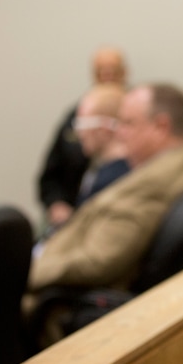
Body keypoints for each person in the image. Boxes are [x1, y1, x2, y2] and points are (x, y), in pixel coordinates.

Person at [27, 82, 183, 295]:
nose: (119, 133)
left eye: (127, 123)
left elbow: (98, 261)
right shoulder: (182, 167)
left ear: (161, 127)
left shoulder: (151, 188)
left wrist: (25, 273)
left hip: (62, 301)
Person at [37, 46, 129, 230]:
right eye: (100, 71)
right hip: (73, 214)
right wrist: (57, 204)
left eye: (113, 70)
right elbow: (49, 175)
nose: (107, 76)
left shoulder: (136, 115)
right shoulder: (76, 115)